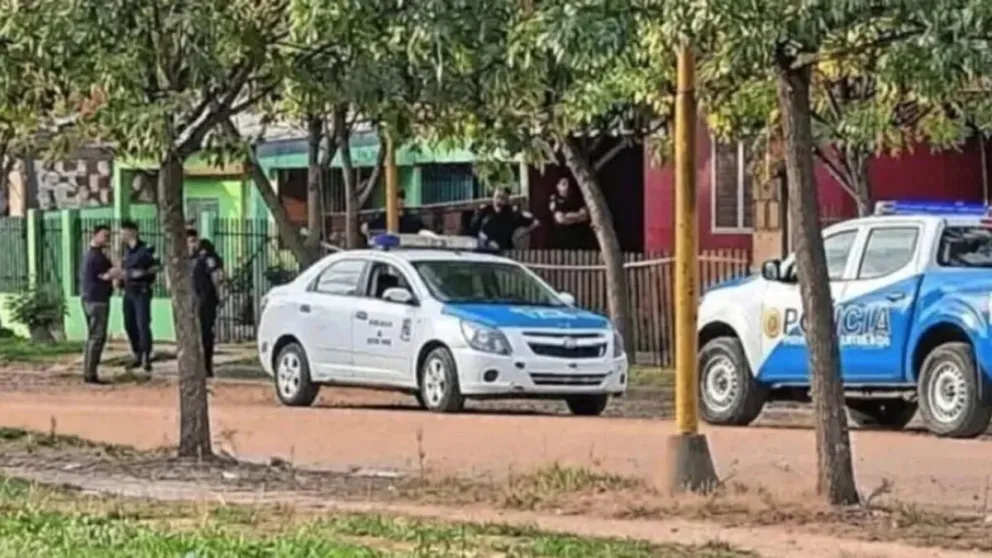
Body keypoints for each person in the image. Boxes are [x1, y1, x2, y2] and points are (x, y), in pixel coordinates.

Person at [80, 225, 122, 384]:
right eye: (104, 236)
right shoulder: (95, 257)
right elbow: (105, 275)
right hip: (97, 299)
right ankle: (90, 373)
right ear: (95, 235)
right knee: (97, 337)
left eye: (108, 236)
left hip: (90, 298)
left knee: (93, 336)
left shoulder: (92, 254)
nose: (107, 239)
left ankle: (89, 371)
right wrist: (116, 273)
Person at [119, 219, 159, 372]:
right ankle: (137, 353)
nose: (122, 235)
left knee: (143, 324)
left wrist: (138, 273)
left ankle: (146, 356)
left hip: (141, 290)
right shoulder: (125, 251)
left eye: (124, 231)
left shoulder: (146, 249)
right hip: (128, 291)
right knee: (129, 325)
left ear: (133, 232)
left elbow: (156, 267)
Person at [187, 229, 224, 378]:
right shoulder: (187, 259)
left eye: (193, 241)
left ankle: (206, 366)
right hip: (192, 301)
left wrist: (217, 294)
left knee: (205, 333)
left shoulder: (207, 258)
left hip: (206, 300)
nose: (191, 245)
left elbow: (217, 276)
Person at [471, 187, 539, 250]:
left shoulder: (512, 215)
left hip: (505, 250)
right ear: (493, 197)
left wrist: (521, 234)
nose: (499, 200)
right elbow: (473, 230)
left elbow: (535, 222)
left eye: (503, 198)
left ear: (507, 200)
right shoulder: (484, 211)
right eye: (497, 196)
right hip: (485, 250)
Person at [360, 190, 426, 241]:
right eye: (397, 198)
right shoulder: (384, 218)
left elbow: (424, 230)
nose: (400, 200)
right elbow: (365, 228)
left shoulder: (413, 220)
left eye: (401, 197)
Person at [548, 178, 595, 249]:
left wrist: (567, 215)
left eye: (568, 184)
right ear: (557, 186)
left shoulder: (578, 199)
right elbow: (561, 219)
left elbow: (585, 216)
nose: (567, 186)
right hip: (563, 238)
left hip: (580, 237)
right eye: (563, 184)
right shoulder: (555, 200)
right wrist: (577, 216)